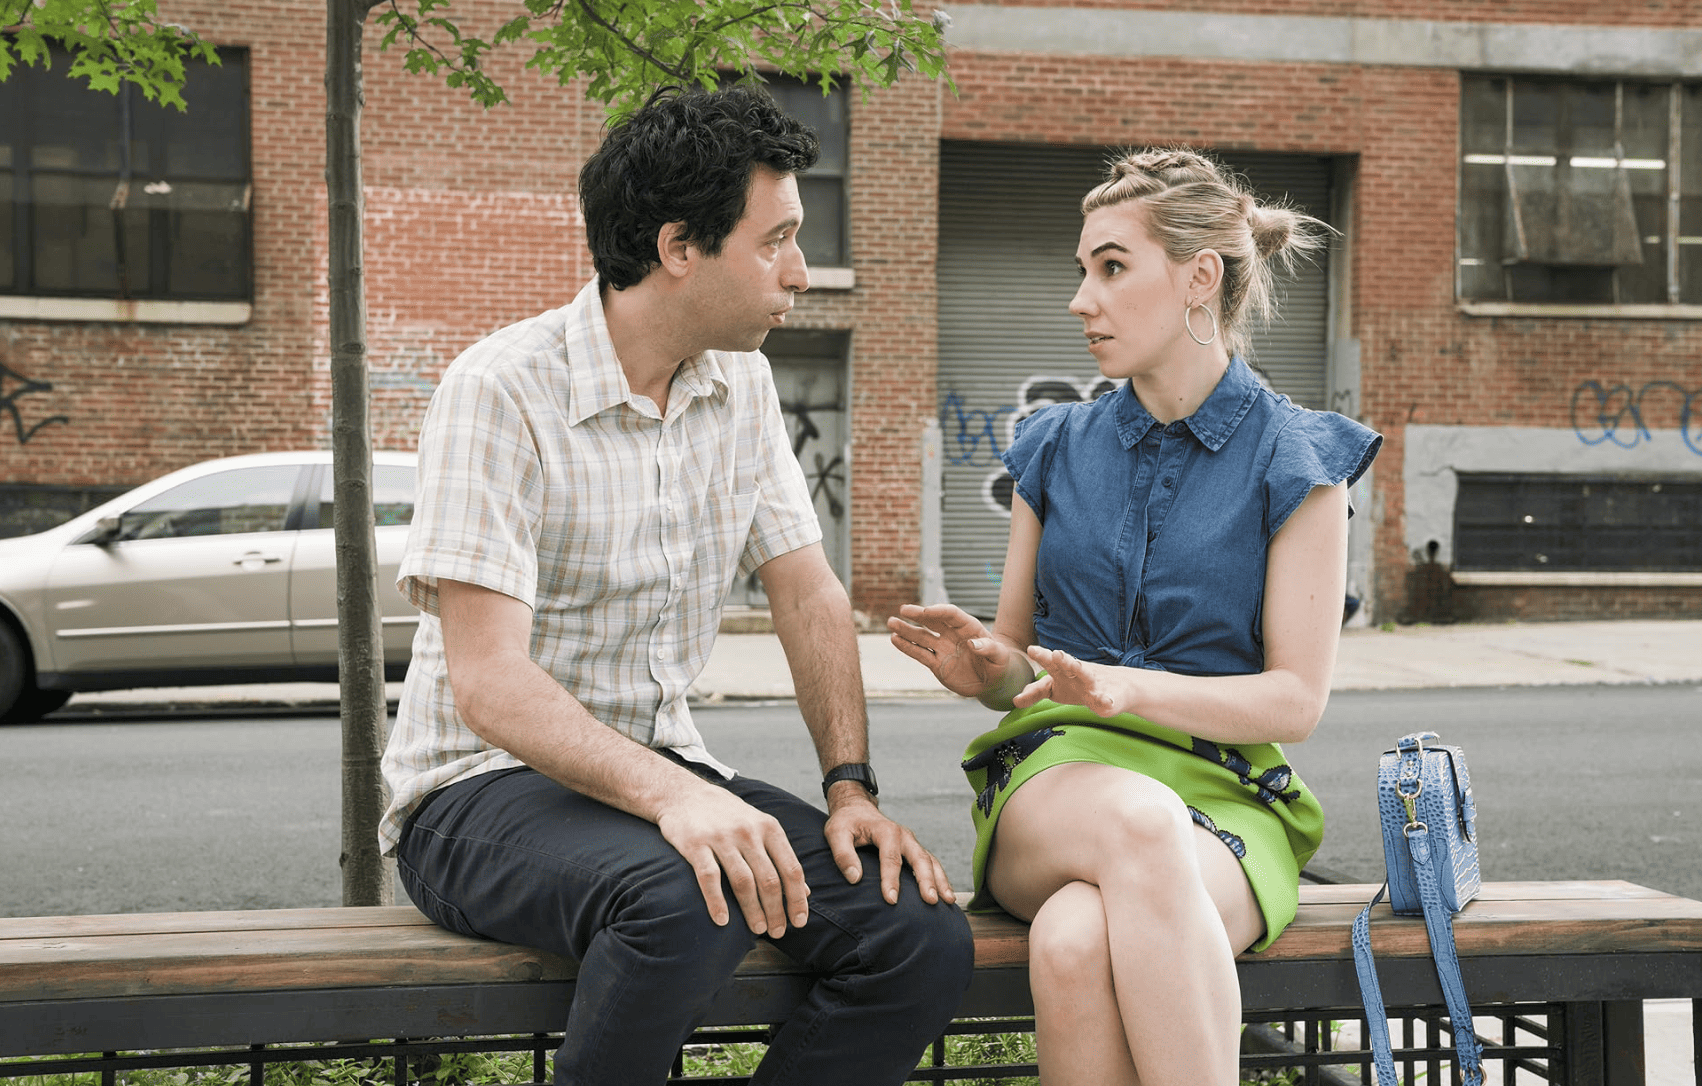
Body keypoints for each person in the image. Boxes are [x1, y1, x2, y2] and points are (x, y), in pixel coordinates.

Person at [380, 84, 973, 1086]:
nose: (801, 270)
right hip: (474, 794)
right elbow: (488, 683)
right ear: (677, 248)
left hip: (657, 777)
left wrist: (848, 788)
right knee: (687, 896)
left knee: (915, 933)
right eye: (776, 239)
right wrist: (676, 799)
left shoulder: (737, 380)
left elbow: (807, 591)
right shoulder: (501, 388)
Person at [889, 148, 1381, 1086]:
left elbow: (1294, 703)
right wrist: (986, 671)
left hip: (1229, 795)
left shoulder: (1301, 460)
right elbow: (1021, 669)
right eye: (1083, 270)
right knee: (1143, 828)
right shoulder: (1054, 444)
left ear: (1201, 278)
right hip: (1060, 779)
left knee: (1075, 942)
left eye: (1111, 267)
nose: (1082, 298)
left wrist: (1128, 686)